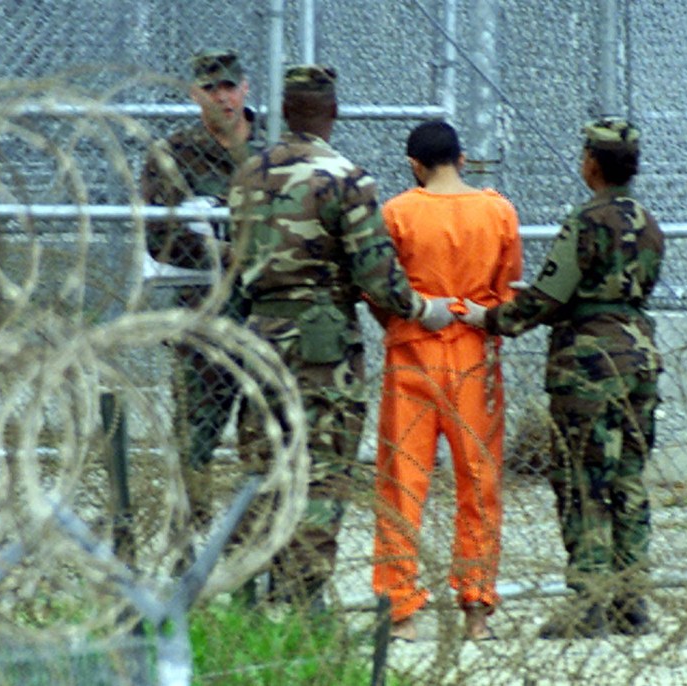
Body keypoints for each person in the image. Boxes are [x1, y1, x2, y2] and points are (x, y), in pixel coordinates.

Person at [227, 64, 454, 613]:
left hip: (261, 333)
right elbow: (378, 275)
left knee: (264, 465)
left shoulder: (247, 175)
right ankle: (305, 599)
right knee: (323, 472)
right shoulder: (346, 178)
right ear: (333, 112)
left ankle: (248, 590)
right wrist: (425, 310)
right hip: (322, 346)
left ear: (284, 111)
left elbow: (238, 263)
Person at [460, 117, 665, 639]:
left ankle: (588, 601)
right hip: (639, 355)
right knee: (627, 479)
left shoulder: (587, 220)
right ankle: (630, 600)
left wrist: (492, 318)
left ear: (591, 164)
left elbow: (552, 294)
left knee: (582, 480)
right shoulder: (648, 222)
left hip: (589, 364)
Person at [370, 120, 522, 642]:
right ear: (461, 158)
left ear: (414, 164)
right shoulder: (497, 210)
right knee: (478, 483)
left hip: (413, 350)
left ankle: (402, 611)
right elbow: (507, 286)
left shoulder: (397, 212)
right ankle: (477, 608)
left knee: (402, 482)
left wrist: (401, 324)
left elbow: (381, 289)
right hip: (475, 353)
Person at [140, 49, 266, 545]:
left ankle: (252, 552)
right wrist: (229, 248)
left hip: (265, 319)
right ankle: (190, 549)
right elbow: (159, 234)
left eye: (230, 86)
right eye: (212, 89)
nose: (223, 97)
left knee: (265, 440)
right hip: (202, 320)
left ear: (246, 88)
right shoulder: (172, 156)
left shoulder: (271, 156)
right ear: (195, 94)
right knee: (194, 441)